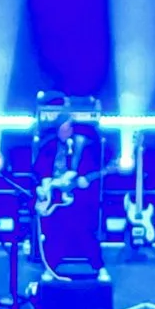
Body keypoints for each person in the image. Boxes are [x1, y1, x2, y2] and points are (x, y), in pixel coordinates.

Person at [32, 112, 103, 274]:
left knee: (85, 231)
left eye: (69, 129)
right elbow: (37, 171)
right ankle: (50, 268)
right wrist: (39, 187)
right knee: (53, 234)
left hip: (77, 197)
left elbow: (92, 169)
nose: (66, 132)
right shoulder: (48, 146)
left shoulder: (83, 145)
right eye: (63, 129)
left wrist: (85, 180)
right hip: (53, 196)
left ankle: (98, 266)